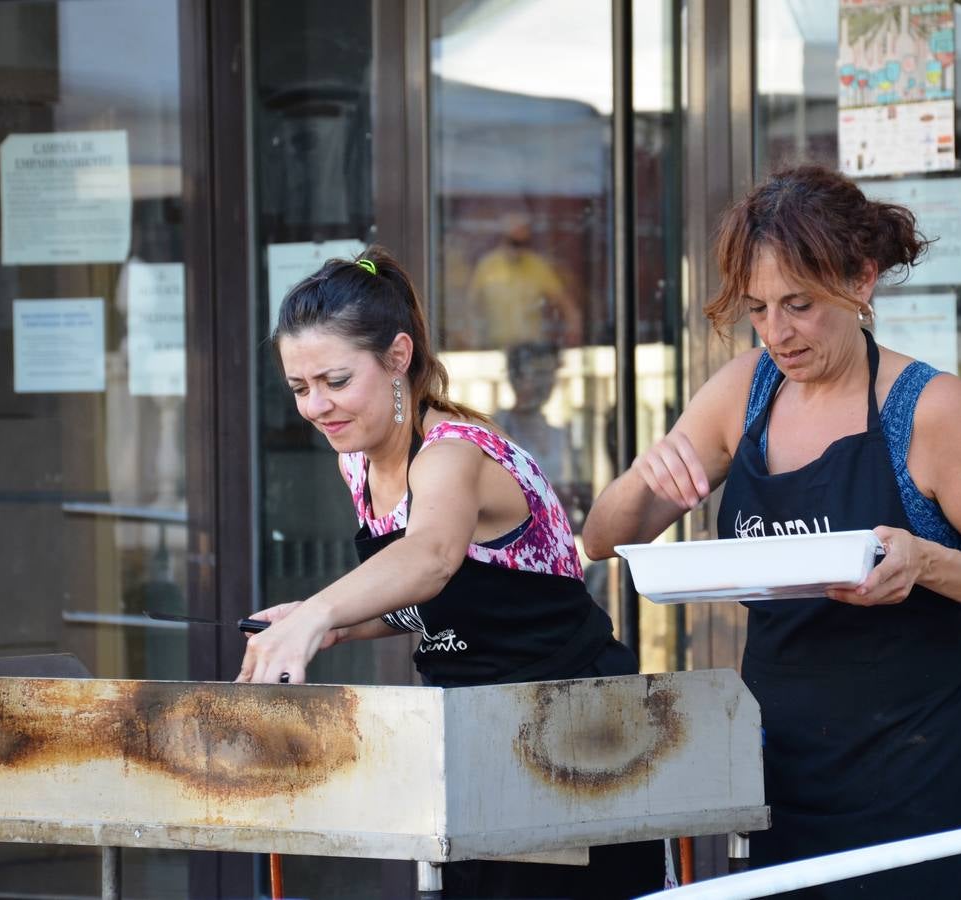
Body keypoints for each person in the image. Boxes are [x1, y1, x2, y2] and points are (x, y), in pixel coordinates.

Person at [582, 166, 961, 899]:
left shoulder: (927, 408)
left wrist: (926, 562)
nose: (778, 332)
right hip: (781, 777)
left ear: (862, 281)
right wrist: (646, 474)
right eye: (759, 309)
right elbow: (602, 539)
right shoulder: (747, 391)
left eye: (799, 305)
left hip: (921, 781)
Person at [237, 247, 665, 899]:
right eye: (300, 388)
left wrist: (322, 612)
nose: (317, 407)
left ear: (398, 358)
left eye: (335, 381)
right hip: (471, 735)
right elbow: (439, 601)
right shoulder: (357, 460)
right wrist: (331, 626)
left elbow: (433, 560)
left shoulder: (453, 454)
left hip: (579, 731)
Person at [493, 341, 583, 521]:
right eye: (538, 373)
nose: (546, 383)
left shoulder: (560, 435)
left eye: (550, 374)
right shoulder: (496, 430)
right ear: (516, 378)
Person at [464, 215, 583, 349]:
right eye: (514, 242)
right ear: (503, 239)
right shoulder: (487, 267)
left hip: (530, 349)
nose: (518, 249)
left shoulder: (536, 266)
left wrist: (573, 325)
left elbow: (564, 302)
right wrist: (470, 335)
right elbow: (471, 305)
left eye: (524, 243)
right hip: (496, 346)